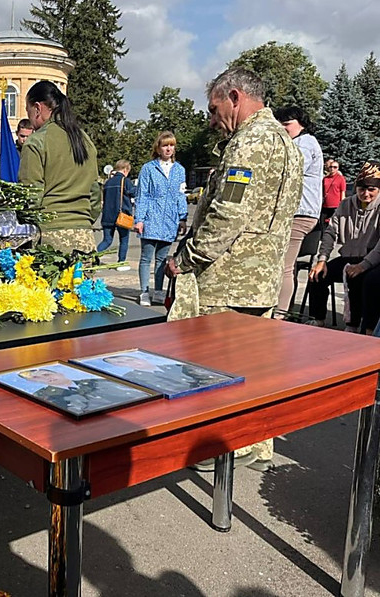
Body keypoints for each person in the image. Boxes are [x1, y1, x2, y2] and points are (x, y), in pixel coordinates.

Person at [165, 67, 303, 471]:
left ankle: (223, 446)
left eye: (214, 109)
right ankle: (257, 442)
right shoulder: (286, 141)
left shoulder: (249, 142)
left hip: (228, 277)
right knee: (255, 365)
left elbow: (228, 214)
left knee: (218, 368)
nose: (212, 120)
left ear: (235, 97)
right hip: (261, 277)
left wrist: (185, 259)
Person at [19, 81, 101, 254]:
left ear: (37, 108)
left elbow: (31, 196)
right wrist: (83, 220)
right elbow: (95, 193)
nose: (30, 120)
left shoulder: (36, 142)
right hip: (85, 238)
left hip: (51, 239)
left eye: (29, 111)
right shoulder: (85, 140)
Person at [307, 161, 380, 334]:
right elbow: (331, 232)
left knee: (367, 281)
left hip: (373, 259)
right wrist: (322, 260)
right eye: (362, 189)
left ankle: (364, 327)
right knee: (317, 276)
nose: (366, 194)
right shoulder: (346, 204)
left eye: (371, 190)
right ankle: (318, 319)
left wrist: (364, 265)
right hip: (349, 256)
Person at [273, 106, 323, 315]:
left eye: (287, 124)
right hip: (299, 212)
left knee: (283, 266)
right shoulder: (299, 142)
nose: (283, 128)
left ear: (301, 123)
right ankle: (283, 311)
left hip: (300, 213)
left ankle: (279, 314)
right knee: (287, 266)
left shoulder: (304, 143)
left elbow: (290, 171)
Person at [134, 131, 188, 306]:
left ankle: (158, 290)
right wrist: (139, 219)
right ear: (158, 148)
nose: (168, 149)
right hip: (151, 217)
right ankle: (144, 292)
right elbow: (142, 194)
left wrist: (182, 217)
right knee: (146, 257)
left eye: (171, 145)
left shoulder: (179, 170)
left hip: (169, 220)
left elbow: (181, 195)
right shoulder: (148, 168)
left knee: (161, 259)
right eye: (165, 145)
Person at [18, 368, 147, 415]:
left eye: (46, 374)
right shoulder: (43, 396)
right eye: (36, 378)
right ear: (32, 382)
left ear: (59, 372)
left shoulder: (95, 381)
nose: (45, 378)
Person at [101, 354, 232, 396]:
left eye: (128, 359)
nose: (128, 363)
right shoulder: (132, 378)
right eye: (120, 363)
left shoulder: (176, 365)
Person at [98, 160, 137, 269]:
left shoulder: (108, 182)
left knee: (107, 240)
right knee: (124, 240)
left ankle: (92, 257)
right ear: (125, 170)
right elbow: (133, 193)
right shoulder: (125, 181)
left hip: (107, 215)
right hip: (122, 215)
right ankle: (120, 262)